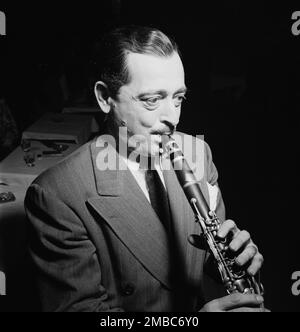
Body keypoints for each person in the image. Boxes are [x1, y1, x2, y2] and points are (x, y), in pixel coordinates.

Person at [24, 26, 266, 312]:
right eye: (152, 100)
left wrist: (235, 260)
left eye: (178, 98)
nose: (171, 118)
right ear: (105, 98)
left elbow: (202, 266)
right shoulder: (56, 195)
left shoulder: (198, 153)